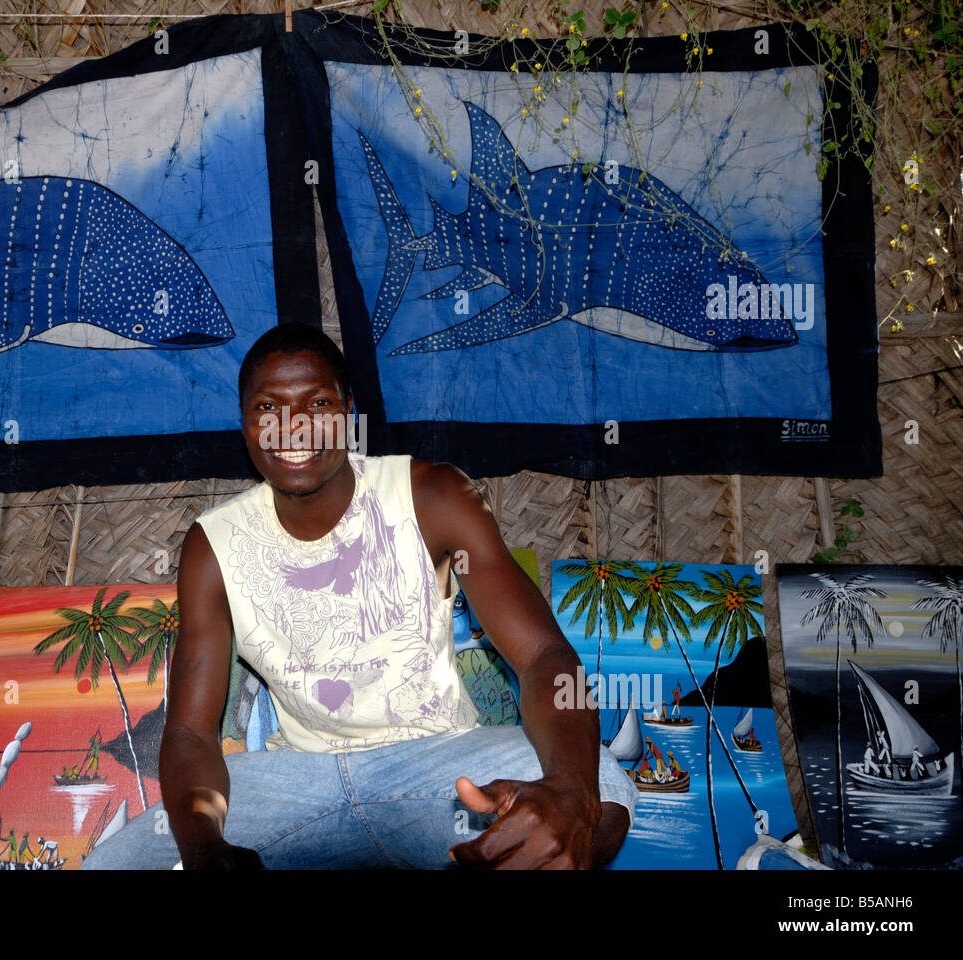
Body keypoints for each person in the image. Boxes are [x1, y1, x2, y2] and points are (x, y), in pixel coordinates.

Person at [82, 325, 637, 870]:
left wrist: (567, 788)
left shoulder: (432, 497)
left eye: (317, 403)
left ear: (348, 413)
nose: (293, 428)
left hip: (438, 761)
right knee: (119, 862)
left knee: (601, 794)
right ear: (245, 423)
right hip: (295, 778)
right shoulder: (215, 546)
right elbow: (188, 732)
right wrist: (204, 847)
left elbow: (546, 659)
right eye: (268, 408)